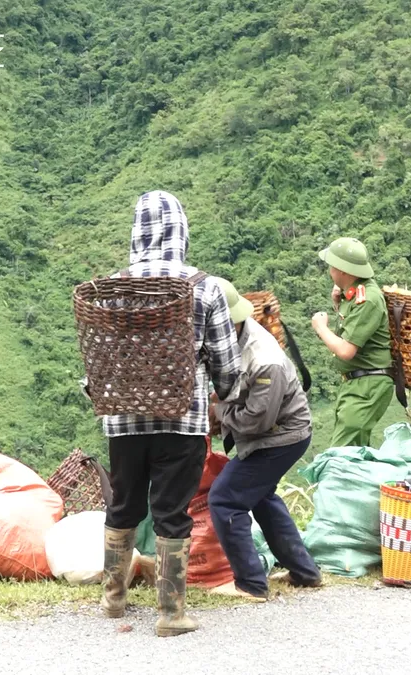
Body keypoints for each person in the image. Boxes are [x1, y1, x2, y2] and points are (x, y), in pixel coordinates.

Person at [94, 191, 241, 637]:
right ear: (181, 231)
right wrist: (224, 394)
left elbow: (95, 362)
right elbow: (227, 368)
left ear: (136, 230)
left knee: (123, 504)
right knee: (171, 511)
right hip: (182, 420)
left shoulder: (110, 290)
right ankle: (170, 614)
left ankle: (113, 599)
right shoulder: (207, 288)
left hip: (123, 421)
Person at [207, 278, 321, 602]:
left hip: (281, 436)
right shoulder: (229, 339)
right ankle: (305, 572)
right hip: (270, 432)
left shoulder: (264, 357)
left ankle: (251, 584)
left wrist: (220, 412)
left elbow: (258, 420)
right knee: (261, 496)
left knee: (226, 498)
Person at [311, 237, 394, 449]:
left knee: (341, 453)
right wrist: (338, 305)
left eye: (332, 265)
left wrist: (321, 327)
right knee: (355, 452)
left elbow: (346, 350)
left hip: (367, 385)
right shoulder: (353, 294)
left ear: (342, 270)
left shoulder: (367, 299)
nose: (329, 270)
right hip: (356, 383)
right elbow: (354, 328)